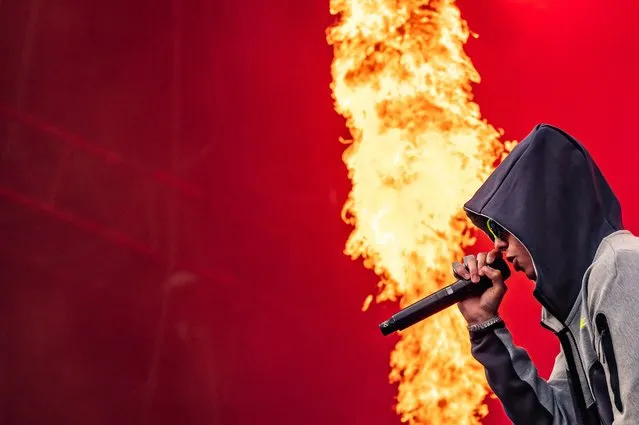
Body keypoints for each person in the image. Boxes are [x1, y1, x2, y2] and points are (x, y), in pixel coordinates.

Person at [453, 123, 639, 425]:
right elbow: (559, 420)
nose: (498, 245)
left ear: (539, 216)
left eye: (501, 228)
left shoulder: (620, 269)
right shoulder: (581, 305)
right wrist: (483, 325)